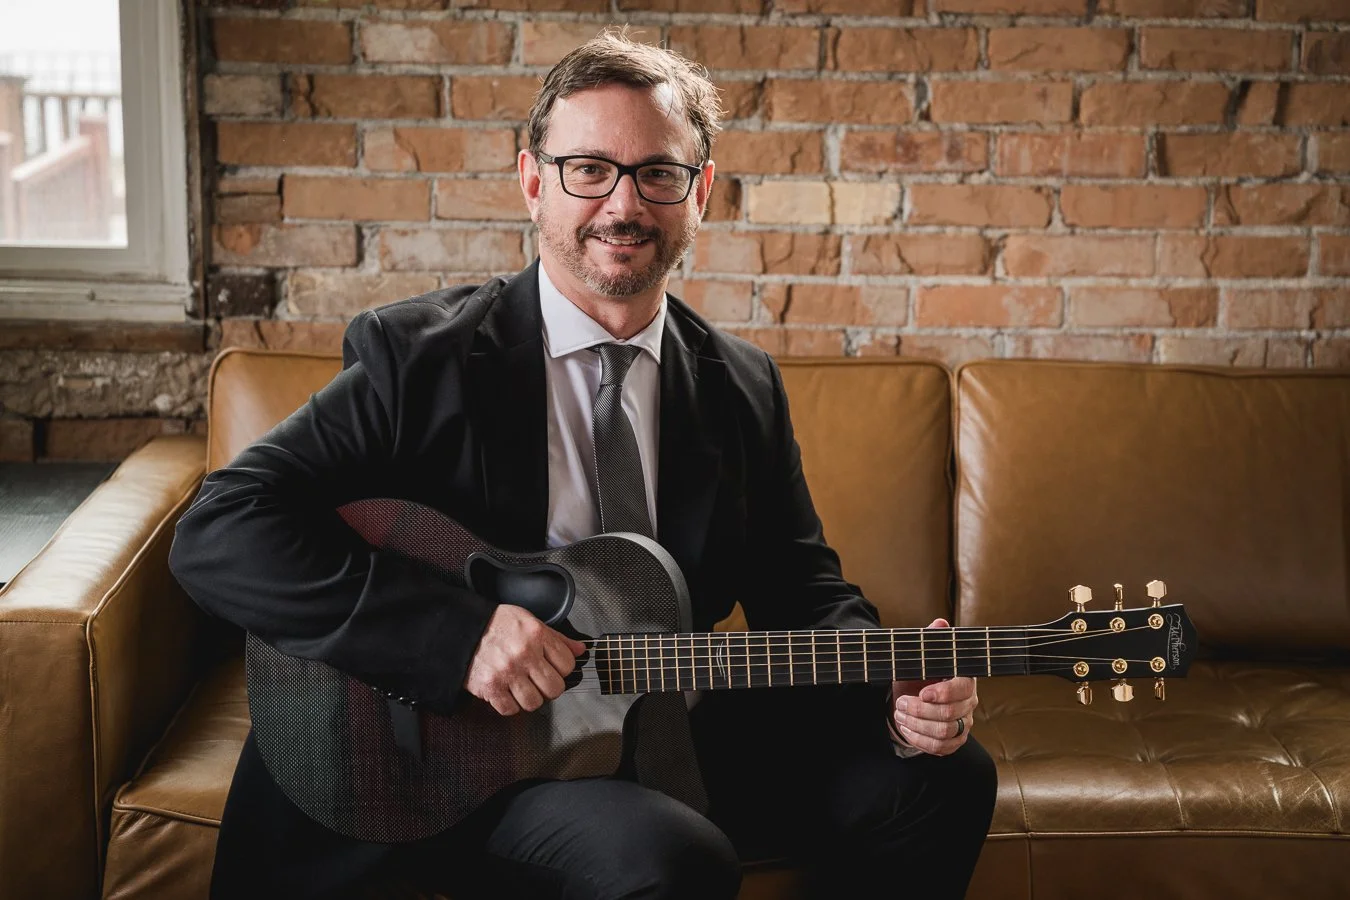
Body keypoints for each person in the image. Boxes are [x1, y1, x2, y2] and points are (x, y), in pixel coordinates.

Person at [170, 29, 996, 900]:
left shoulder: (740, 385)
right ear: (533, 181)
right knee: (666, 857)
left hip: (663, 726)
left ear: (700, 193)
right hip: (453, 754)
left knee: (943, 775)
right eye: (588, 168)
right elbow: (220, 530)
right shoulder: (419, 360)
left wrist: (887, 678)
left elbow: (804, 589)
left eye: (658, 173)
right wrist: (458, 637)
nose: (623, 203)